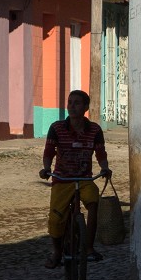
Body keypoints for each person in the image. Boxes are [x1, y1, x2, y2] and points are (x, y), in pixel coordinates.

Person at [38, 89, 111, 270]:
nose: (72, 106)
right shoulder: (56, 128)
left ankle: (89, 247)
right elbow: (49, 152)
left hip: (84, 178)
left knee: (94, 203)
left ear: (86, 107)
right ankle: (56, 252)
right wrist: (46, 169)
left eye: (77, 103)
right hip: (61, 179)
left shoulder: (94, 130)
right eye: (70, 102)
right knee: (56, 220)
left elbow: (100, 152)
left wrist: (104, 168)